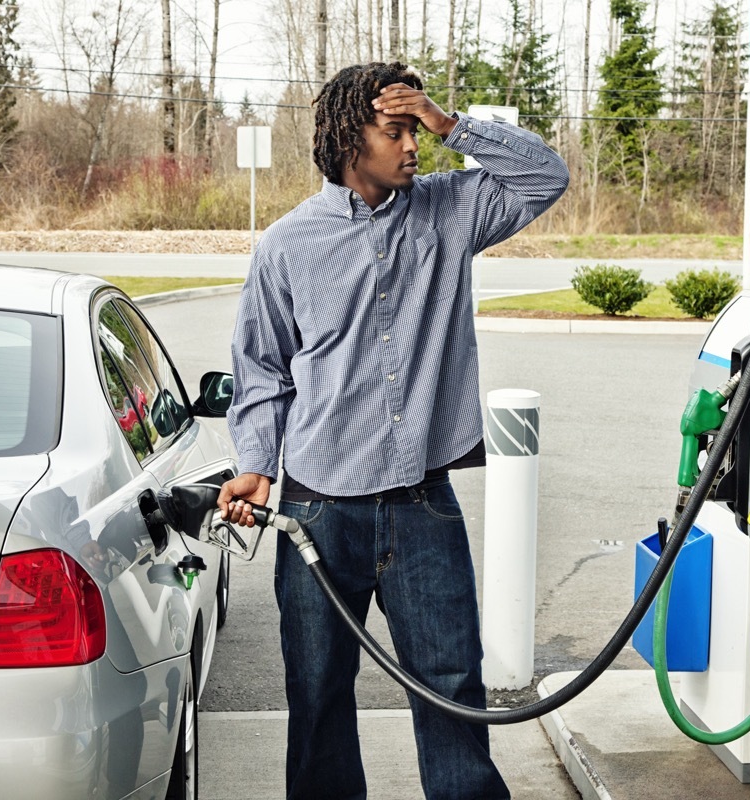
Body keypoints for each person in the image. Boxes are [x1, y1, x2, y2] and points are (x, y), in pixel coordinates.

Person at [216, 61, 568, 800]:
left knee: (452, 695)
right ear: (351, 137)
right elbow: (261, 372)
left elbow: (546, 177)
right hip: (317, 510)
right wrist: (255, 464)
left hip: (421, 507)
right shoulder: (285, 246)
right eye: (397, 130)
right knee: (317, 703)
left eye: (416, 131)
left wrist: (450, 123)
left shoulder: (451, 210)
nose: (413, 146)